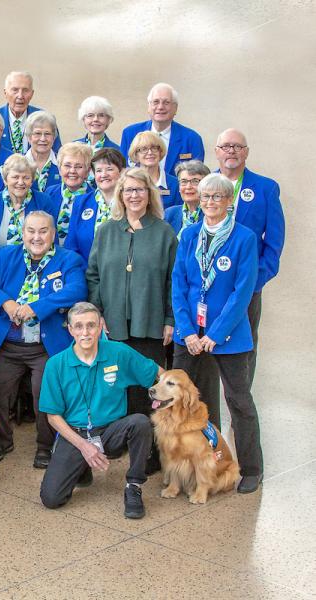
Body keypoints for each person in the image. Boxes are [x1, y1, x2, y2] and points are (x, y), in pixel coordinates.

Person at [171, 173, 262, 493]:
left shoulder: (244, 238)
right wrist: (187, 330)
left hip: (228, 335)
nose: (209, 202)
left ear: (229, 202)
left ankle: (251, 468)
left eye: (217, 197)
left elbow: (242, 291)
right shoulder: (189, 234)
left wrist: (216, 334)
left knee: (239, 401)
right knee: (179, 401)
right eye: (205, 196)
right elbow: (179, 285)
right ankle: (186, 464)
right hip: (190, 335)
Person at [0, 211, 87, 466]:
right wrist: (5, 302)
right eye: (31, 231)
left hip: (45, 347)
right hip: (9, 344)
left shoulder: (69, 259)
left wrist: (38, 306)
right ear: (23, 233)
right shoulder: (7, 255)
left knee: (43, 391)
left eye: (43, 231)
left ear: (53, 233)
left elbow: (77, 289)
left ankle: (46, 446)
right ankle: (2, 440)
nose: (37, 237)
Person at [86, 167, 176, 474]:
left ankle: (150, 452)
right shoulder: (107, 230)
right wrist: (97, 313)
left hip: (150, 324)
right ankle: (118, 443)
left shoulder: (164, 233)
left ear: (149, 194)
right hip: (114, 326)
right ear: (120, 195)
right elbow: (93, 275)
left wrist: (169, 318)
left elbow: (172, 282)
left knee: (147, 389)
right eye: (128, 190)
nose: (134, 196)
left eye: (139, 190)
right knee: (116, 385)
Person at [39, 302, 163, 519]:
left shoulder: (119, 352)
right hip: (75, 434)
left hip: (110, 431)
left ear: (100, 327)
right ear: (70, 329)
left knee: (140, 422)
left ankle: (133, 486)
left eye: (91, 325)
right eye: (78, 326)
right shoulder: (55, 364)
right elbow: (53, 417)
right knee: (51, 498)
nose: (85, 332)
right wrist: (84, 447)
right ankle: (81, 468)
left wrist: (181, 392)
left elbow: (158, 373)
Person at [213, 128, 285, 379]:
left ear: (246, 153)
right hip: (208, 285)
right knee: (205, 344)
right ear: (216, 152)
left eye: (237, 146)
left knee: (244, 346)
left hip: (246, 285)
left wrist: (255, 281)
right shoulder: (203, 183)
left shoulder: (265, 188)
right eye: (225, 146)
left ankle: (240, 409)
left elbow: (274, 243)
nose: (231, 151)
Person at [120, 82, 205, 176]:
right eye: (156, 102)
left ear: (175, 108)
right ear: (149, 107)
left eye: (166, 102)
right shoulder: (130, 134)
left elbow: (196, 177)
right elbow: (123, 173)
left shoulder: (192, 139)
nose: (160, 107)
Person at [64, 148, 127, 265]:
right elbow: (71, 247)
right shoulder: (81, 202)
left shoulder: (129, 203)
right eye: (98, 170)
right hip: (87, 275)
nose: (103, 175)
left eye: (109, 169)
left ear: (122, 172)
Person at [0, 153, 56, 255]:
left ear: (32, 181)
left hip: (37, 265)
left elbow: (52, 241)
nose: (20, 182)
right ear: (5, 180)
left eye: (26, 177)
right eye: (15, 177)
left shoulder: (44, 202)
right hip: (0, 265)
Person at [0, 71, 61, 154]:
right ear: (5, 93)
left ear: (32, 94)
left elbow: (57, 154)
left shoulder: (44, 118)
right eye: (15, 90)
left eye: (25, 90)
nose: (20, 96)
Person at [48, 142, 92, 246]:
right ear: (59, 169)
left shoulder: (94, 199)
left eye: (79, 166)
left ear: (88, 171)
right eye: (67, 165)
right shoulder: (49, 194)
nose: (72, 171)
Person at [127, 131, 180, 209]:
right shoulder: (127, 183)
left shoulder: (175, 184)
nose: (150, 152)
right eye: (144, 149)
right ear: (136, 154)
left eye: (154, 148)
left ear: (160, 151)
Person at [165, 160, 209, 236]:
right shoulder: (170, 214)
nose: (188, 187)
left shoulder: (212, 214)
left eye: (195, 181)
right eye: (184, 181)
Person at [24, 111, 61, 193]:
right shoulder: (18, 164)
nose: (43, 139)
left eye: (47, 134)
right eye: (37, 133)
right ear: (29, 137)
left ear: (54, 137)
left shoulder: (62, 164)